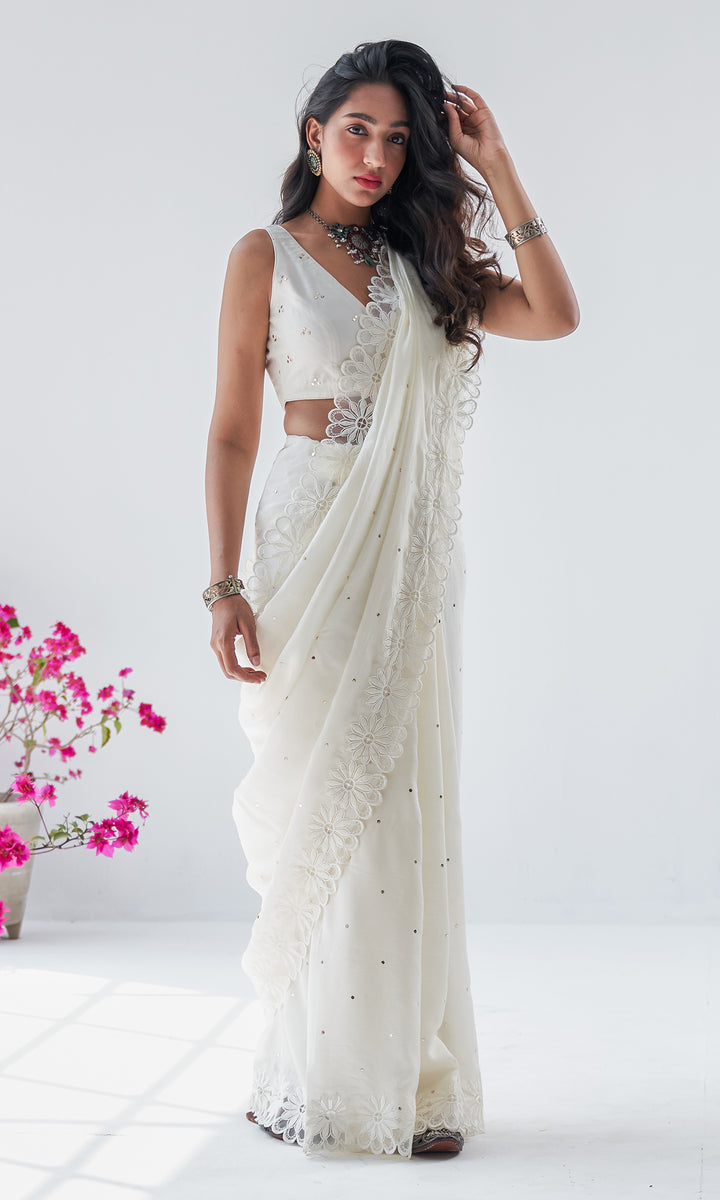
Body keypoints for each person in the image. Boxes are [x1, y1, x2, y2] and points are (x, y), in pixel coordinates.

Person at [204, 39, 579, 1159]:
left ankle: (401, 1080)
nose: (375, 155)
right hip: (310, 539)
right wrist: (222, 584)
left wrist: (497, 164)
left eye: (399, 139)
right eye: (357, 130)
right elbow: (231, 432)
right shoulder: (265, 255)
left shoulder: (427, 263)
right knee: (327, 800)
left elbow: (554, 314)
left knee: (400, 805)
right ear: (314, 133)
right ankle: (313, 1075)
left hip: (410, 553)